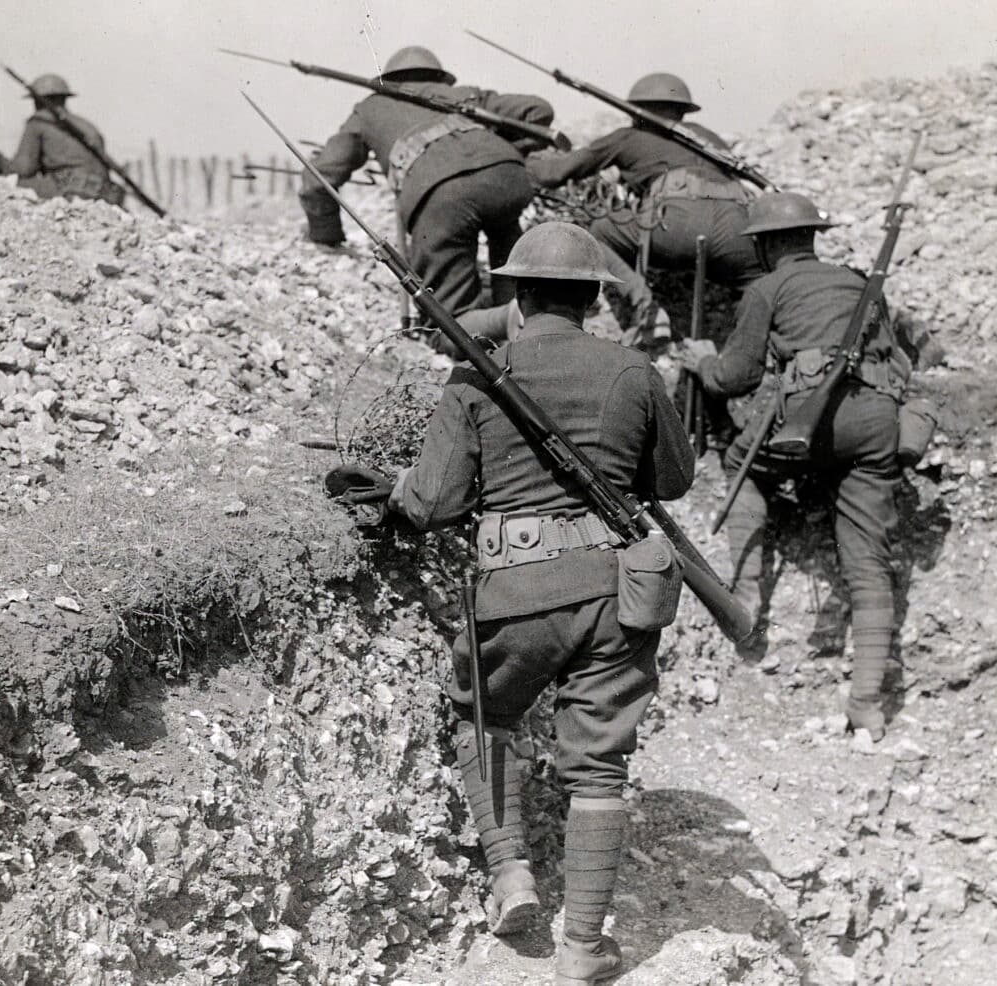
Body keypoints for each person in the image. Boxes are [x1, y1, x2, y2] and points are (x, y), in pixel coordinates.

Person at [375, 223, 693, 983]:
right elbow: (674, 480)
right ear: (592, 298)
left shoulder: (479, 372)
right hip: (617, 594)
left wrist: (388, 489)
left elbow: (436, 501)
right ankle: (583, 948)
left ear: (517, 295)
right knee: (600, 769)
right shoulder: (633, 370)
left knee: (484, 715)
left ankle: (510, 871)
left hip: (515, 593)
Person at [675, 192, 910, 740]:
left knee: (743, 465)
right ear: (809, 237)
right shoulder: (859, 282)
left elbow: (736, 376)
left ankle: (748, 594)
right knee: (868, 563)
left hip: (813, 422)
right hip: (876, 423)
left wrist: (702, 362)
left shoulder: (766, 288)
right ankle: (867, 704)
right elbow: (896, 356)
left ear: (770, 243)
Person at [299, 46, 554, 348]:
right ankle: (526, 314)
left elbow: (319, 179)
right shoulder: (464, 94)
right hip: (508, 177)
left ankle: (504, 318)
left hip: (443, 196)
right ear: (438, 76)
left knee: (448, 326)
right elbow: (539, 110)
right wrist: (498, 151)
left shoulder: (370, 108)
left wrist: (326, 235)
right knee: (503, 225)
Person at [528, 72, 763, 348]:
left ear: (637, 108)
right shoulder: (708, 138)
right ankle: (756, 343)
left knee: (599, 232)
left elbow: (555, 174)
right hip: (737, 229)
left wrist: (524, 160)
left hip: (677, 225)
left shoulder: (628, 137)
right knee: (753, 283)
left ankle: (647, 310)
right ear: (682, 110)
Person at [0, 73, 125, 206]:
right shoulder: (87, 125)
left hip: (71, 190)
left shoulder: (39, 123)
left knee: (9, 184)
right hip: (104, 194)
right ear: (64, 99)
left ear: (37, 100)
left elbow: (22, 169)